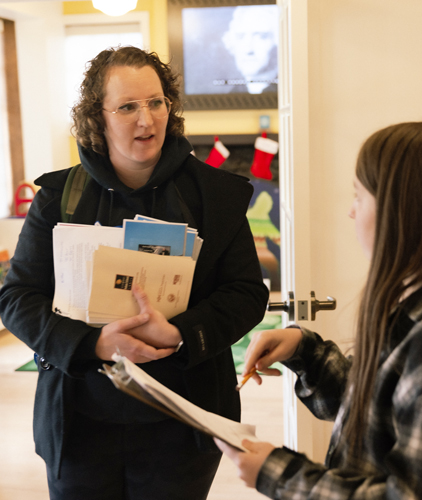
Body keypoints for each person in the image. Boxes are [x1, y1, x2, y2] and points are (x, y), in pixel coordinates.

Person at [0, 46, 269, 499]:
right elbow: (16, 298)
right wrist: (92, 344)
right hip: (79, 423)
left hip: (183, 424)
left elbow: (246, 293)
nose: (146, 120)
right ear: (97, 118)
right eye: (127, 107)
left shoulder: (217, 196)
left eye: (156, 102)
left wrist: (180, 334)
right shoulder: (57, 197)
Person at [216, 120, 422, 499]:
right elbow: (379, 406)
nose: (351, 213)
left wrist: (278, 474)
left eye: (359, 197)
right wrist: (305, 352)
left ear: (403, 214)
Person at [221, 5, 279, 94]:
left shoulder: (295, 93)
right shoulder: (231, 96)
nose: (248, 50)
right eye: (240, 37)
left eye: (261, 37)